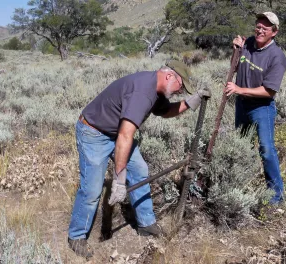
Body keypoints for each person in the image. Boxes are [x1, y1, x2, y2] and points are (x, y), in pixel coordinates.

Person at [68, 60, 211, 258]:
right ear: (170, 76)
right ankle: (77, 236)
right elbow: (125, 136)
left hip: (115, 133)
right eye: (181, 86)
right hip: (94, 133)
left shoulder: (157, 88)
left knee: (140, 170)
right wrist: (119, 180)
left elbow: (165, 111)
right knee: (91, 189)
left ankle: (146, 223)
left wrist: (190, 102)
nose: (180, 91)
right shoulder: (143, 92)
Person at [225, 12, 286, 204]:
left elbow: (269, 92)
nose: (260, 30)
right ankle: (238, 185)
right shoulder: (249, 43)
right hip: (242, 105)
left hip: (261, 109)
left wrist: (238, 89)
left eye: (265, 28)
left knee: (267, 150)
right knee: (241, 146)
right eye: (258, 26)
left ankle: (276, 196)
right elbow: (234, 67)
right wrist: (236, 50)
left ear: (274, 32)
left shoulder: (277, 57)